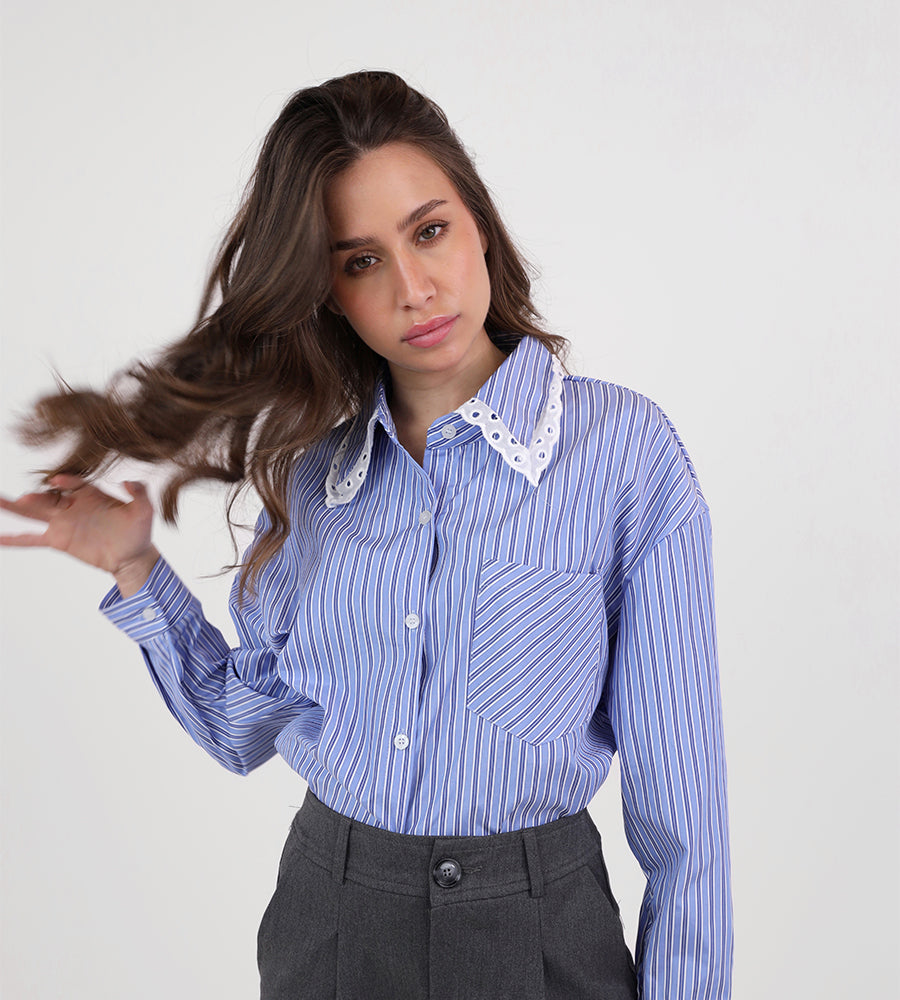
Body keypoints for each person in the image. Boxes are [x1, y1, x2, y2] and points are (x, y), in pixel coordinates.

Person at [0, 71, 732, 998]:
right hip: (332, 925)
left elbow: (684, 816)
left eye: (429, 231)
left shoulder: (623, 452)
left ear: (479, 225)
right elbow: (241, 727)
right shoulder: (315, 478)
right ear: (327, 293)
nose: (414, 289)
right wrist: (135, 566)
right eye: (360, 262)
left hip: (539, 934)